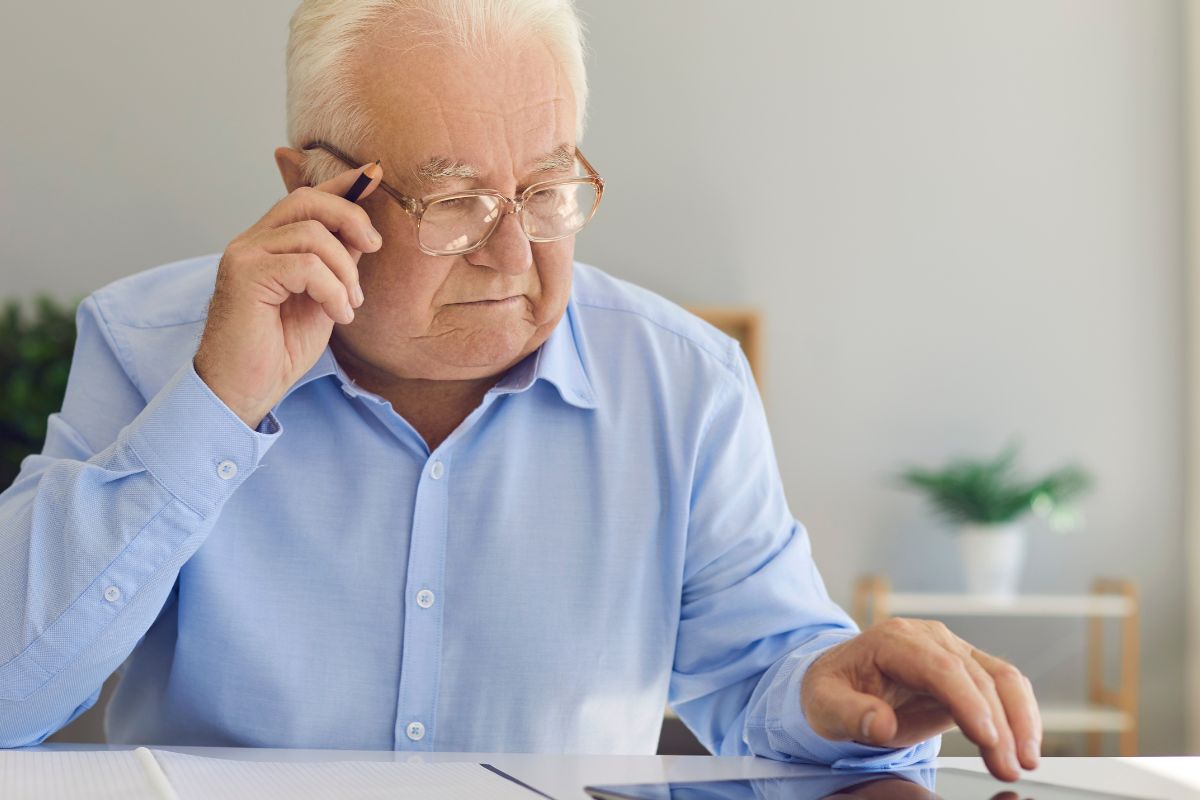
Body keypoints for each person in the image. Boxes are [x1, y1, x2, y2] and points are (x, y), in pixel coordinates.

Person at [0, 0, 1040, 781]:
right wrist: (214, 409)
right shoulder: (149, 344)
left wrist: (829, 694)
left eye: (546, 190)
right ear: (312, 187)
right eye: (454, 199)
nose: (511, 253)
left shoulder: (684, 382)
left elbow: (760, 673)